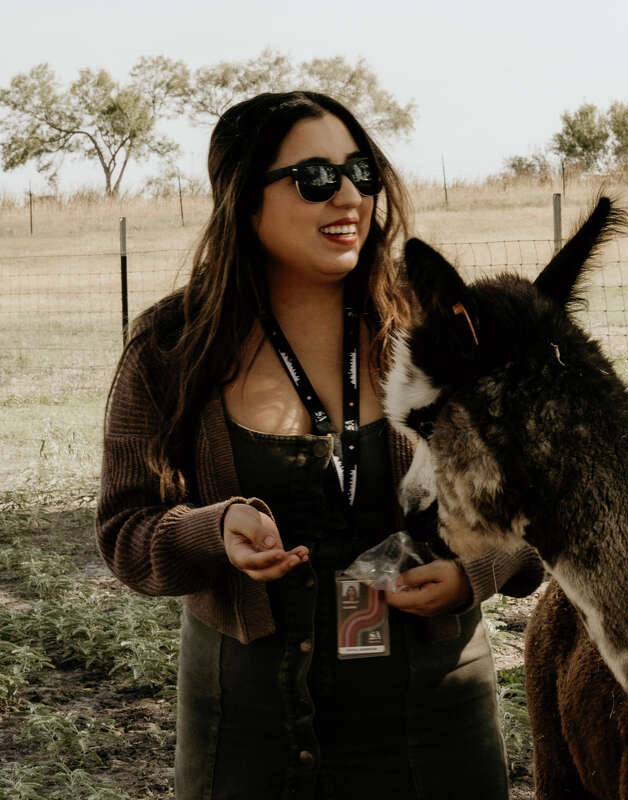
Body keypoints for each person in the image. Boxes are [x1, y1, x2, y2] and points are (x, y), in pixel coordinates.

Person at [96, 91, 544, 799]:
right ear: (246, 199)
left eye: (360, 172)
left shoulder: (445, 329)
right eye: (314, 178)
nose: (347, 196)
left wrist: (474, 575)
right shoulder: (170, 350)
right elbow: (125, 533)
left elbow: (543, 508)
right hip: (244, 732)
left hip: (431, 728)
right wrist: (216, 531)